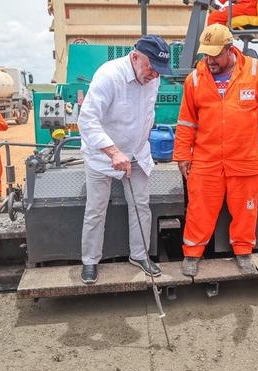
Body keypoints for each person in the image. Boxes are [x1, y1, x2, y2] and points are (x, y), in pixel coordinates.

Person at [173, 24, 258, 276]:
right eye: (205, 54)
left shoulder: (257, 71)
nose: (209, 60)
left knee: (246, 209)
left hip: (243, 159)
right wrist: (182, 154)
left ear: (229, 48)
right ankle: (192, 254)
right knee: (199, 209)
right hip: (206, 160)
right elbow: (186, 121)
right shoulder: (194, 79)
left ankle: (243, 253)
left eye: (215, 54)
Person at [77, 35, 173, 284]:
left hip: (137, 154)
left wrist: (135, 148)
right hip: (103, 155)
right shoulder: (109, 75)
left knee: (141, 205)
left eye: (159, 70)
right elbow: (86, 119)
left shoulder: (153, 77)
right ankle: (90, 261)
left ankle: (139, 255)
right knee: (96, 209)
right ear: (135, 57)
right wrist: (113, 152)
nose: (155, 75)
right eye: (151, 67)